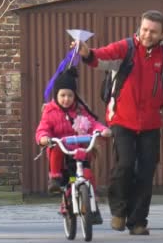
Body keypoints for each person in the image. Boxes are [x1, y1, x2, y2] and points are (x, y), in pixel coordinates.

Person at [74, 10, 163, 236]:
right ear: (139, 27)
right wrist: (87, 53)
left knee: (145, 172)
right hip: (122, 120)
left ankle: (138, 221)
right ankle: (118, 211)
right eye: (144, 29)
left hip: (151, 125)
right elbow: (101, 57)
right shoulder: (126, 49)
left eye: (153, 31)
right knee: (124, 165)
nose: (147, 34)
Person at [35, 67, 112, 196]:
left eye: (70, 95)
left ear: (75, 95)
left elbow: (92, 123)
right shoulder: (50, 111)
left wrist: (102, 130)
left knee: (85, 175)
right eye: (63, 95)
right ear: (56, 95)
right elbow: (43, 128)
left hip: (78, 151)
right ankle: (55, 178)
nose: (66, 99)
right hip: (62, 153)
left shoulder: (80, 110)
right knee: (65, 173)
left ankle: (91, 204)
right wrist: (44, 137)